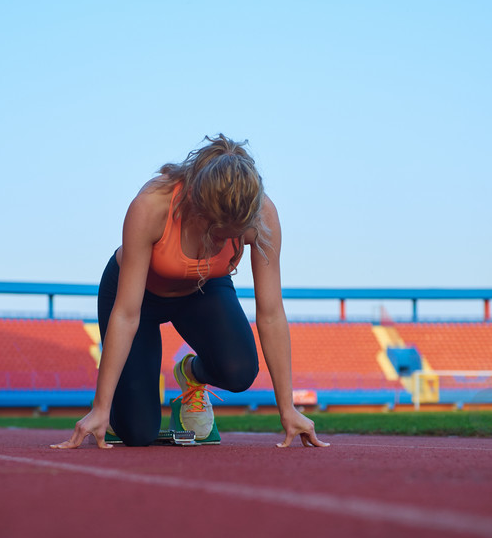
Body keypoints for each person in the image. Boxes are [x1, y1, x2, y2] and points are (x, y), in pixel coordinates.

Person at [52, 134, 329, 449]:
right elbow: (127, 314)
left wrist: (288, 408)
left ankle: (191, 374)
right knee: (137, 434)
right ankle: (118, 408)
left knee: (239, 372)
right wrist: (99, 409)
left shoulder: (262, 215)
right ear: (200, 210)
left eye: (237, 234)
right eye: (221, 233)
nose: (227, 241)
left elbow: (271, 313)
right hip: (139, 294)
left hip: (202, 290)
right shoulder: (152, 206)